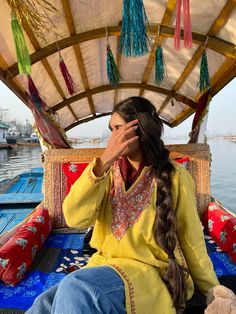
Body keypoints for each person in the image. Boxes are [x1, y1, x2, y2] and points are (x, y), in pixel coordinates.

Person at [26, 97, 219, 314]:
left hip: (150, 273)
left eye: (118, 128)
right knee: (43, 303)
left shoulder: (176, 177)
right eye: (111, 130)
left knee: (76, 287)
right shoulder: (105, 172)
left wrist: (214, 289)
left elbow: (192, 240)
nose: (114, 136)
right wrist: (103, 162)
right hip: (105, 265)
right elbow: (74, 218)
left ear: (141, 129)